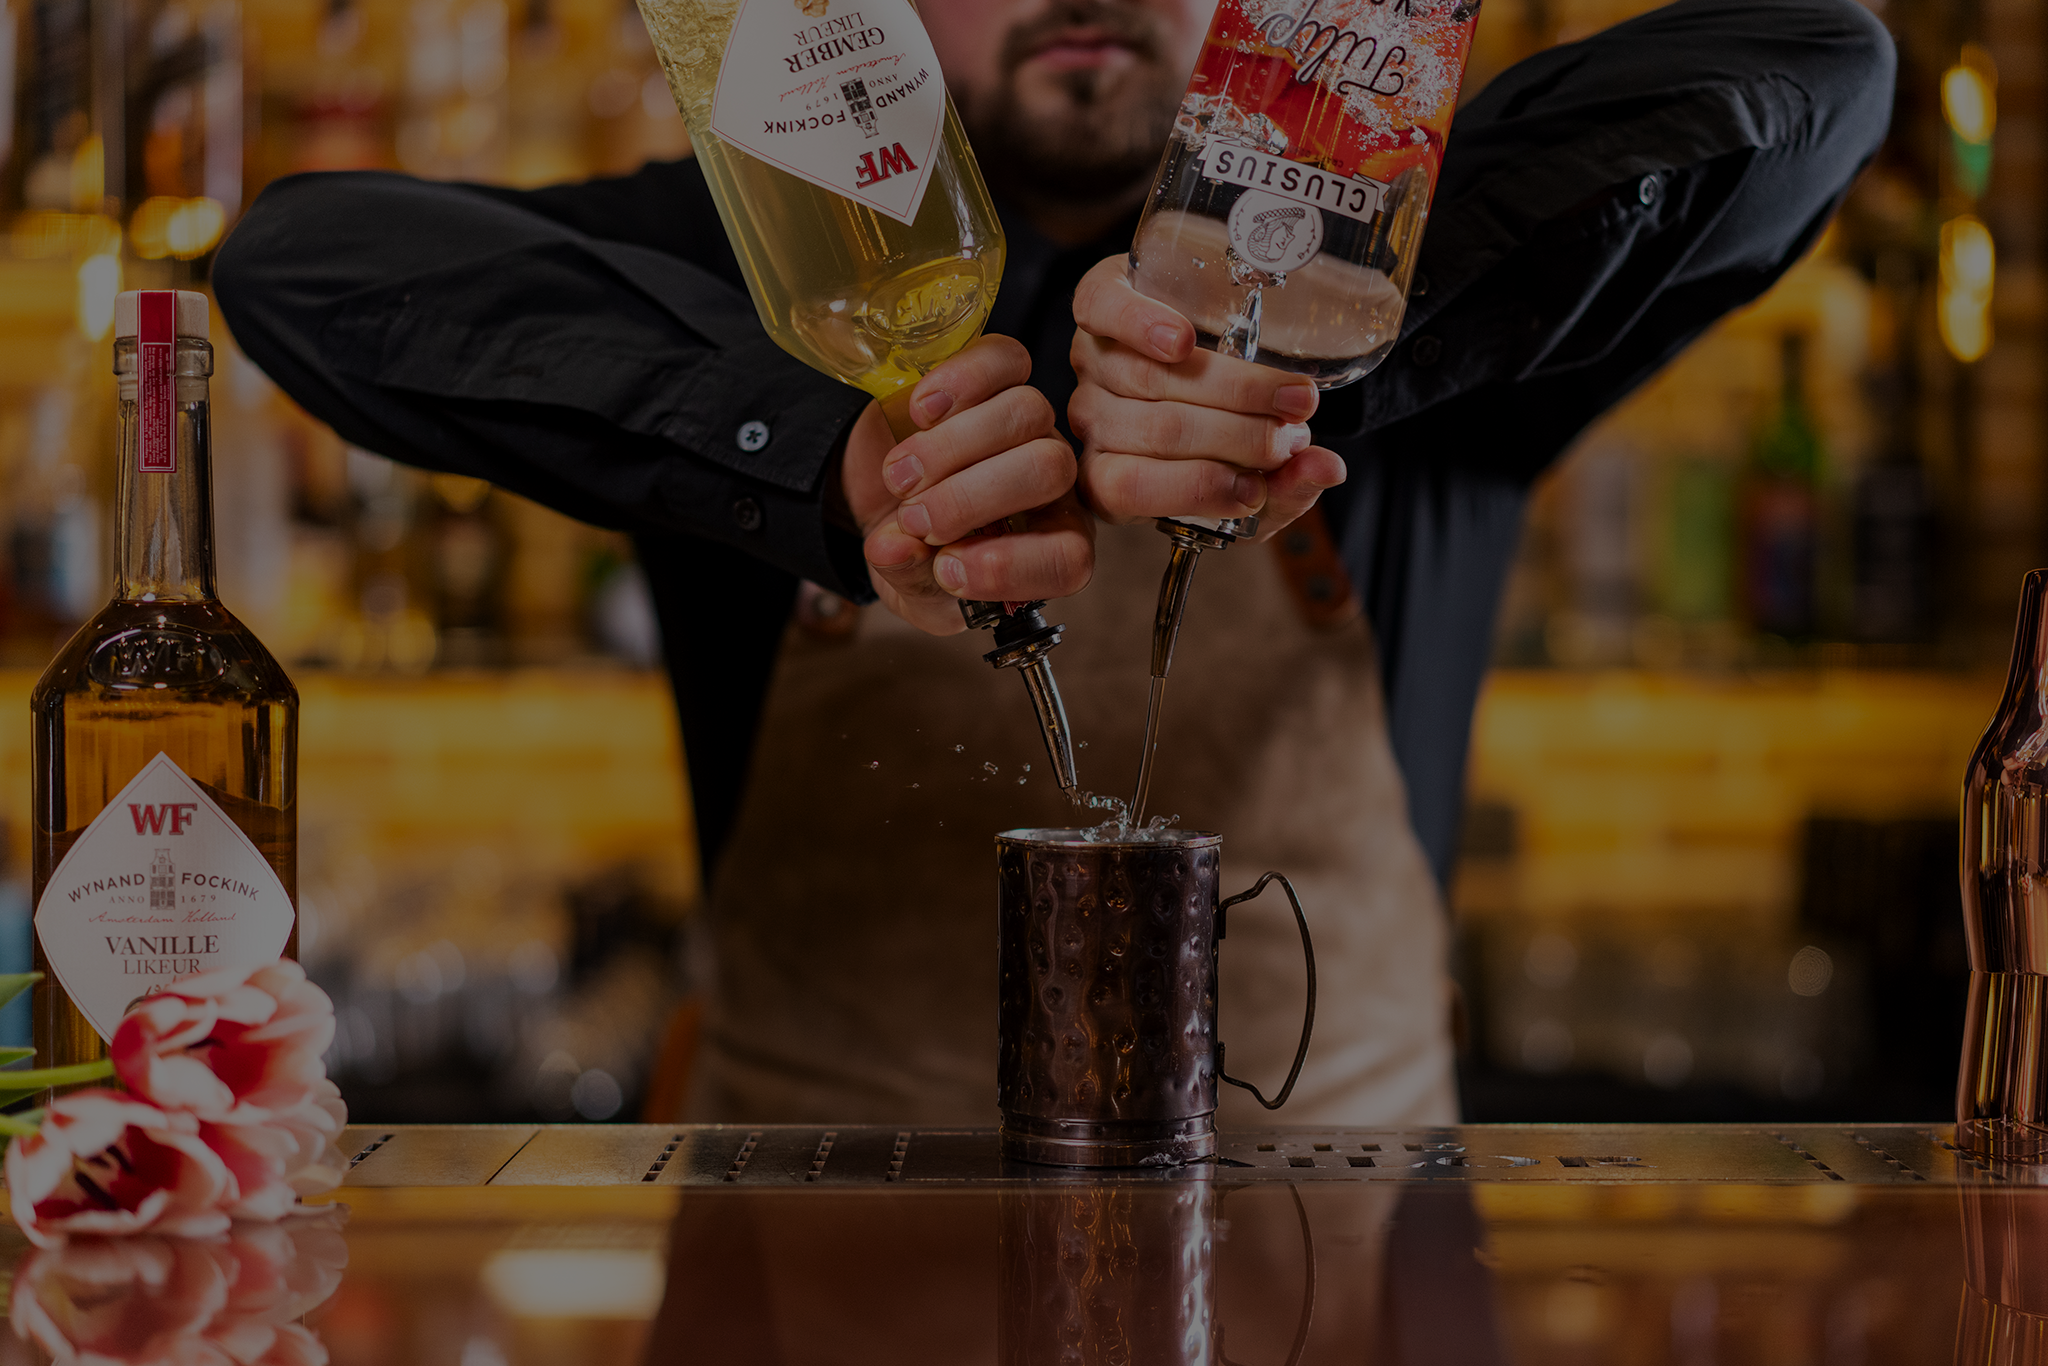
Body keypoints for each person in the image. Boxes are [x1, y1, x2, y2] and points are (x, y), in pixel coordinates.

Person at [214, 0, 1894, 1126]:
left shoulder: (1410, 270)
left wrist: (1319, 291)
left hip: (1344, 1285)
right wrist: (823, 450)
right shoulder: (762, 251)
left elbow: (1825, 70)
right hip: (808, 1280)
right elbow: (298, 267)